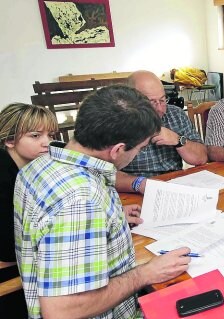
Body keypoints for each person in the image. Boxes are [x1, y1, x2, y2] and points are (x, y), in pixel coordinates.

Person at [14, 85, 192, 319]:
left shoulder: (39, 164)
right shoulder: (81, 201)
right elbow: (61, 312)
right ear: (117, 150)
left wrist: (112, 217)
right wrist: (145, 274)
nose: (137, 154)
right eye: (138, 149)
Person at [0, 103, 58, 317]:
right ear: (9, 140)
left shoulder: (28, 169)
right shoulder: (4, 177)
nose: (47, 143)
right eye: (35, 136)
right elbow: (7, 250)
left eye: (50, 135)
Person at [118, 70, 207, 193]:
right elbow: (103, 174)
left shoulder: (175, 114)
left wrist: (178, 140)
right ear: (130, 100)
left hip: (174, 187)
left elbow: (201, 158)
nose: (160, 109)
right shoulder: (117, 123)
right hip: (134, 191)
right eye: (152, 102)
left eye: (162, 100)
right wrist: (141, 184)